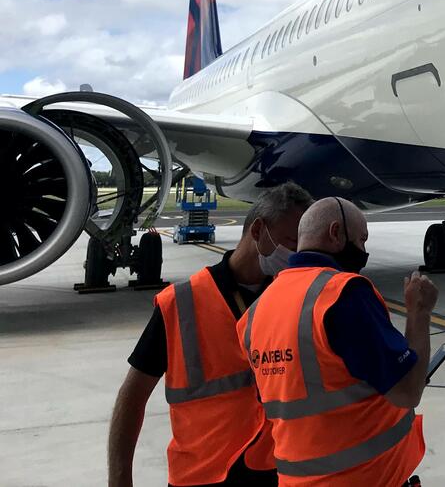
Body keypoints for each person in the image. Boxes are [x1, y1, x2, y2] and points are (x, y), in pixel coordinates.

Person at [108, 182, 314, 487]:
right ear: (258, 230)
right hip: (202, 475)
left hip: (276, 473)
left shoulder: (295, 298)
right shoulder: (180, 302)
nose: (296, 254)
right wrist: (120, 478)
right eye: (290, 241)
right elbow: (133, 396)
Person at [236, 197, 438, 486]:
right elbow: (407, 392)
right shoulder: (342, 294)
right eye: (361, 239)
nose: (363, 250)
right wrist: (419, 313)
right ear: (335, 233)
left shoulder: (254, 314)